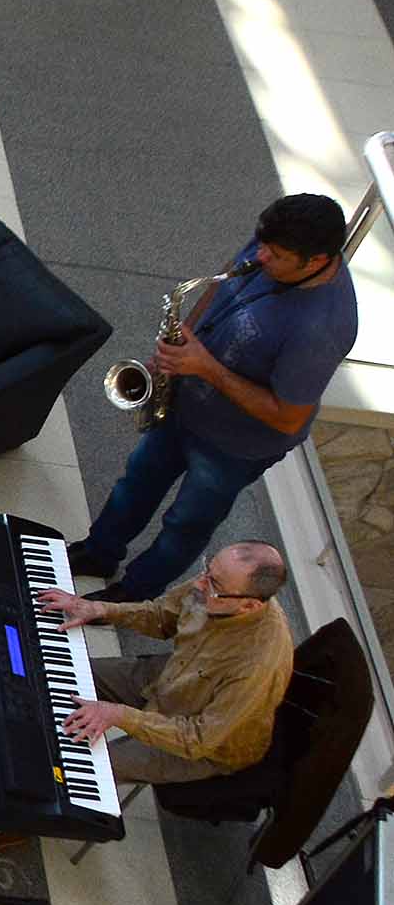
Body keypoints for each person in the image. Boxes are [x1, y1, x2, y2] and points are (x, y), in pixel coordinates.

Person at [68, 195, 358, 601]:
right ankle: (98, 553)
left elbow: (288, 417)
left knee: (185, 522)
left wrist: (205, 367)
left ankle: (135, 595)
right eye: (261, 245)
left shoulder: (321, 329)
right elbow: (221, 285)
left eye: (274, 255)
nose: (260, 256)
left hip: (234, 446)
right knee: (136, 481)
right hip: (187, 401)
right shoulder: (271, 246)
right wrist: (181, 341)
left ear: (314, 262)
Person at [41, 542, 294, 786]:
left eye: (213, 584)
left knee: (75, 767)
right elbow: (161, 616)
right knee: (50, 671)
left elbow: (198, 739)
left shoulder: (257, 665)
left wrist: (119, 715)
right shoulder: (217, 584)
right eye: (207, 569)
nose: (199, 583)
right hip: (170, 678)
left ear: (249, 605)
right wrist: (100, 609)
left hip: (200, 744)